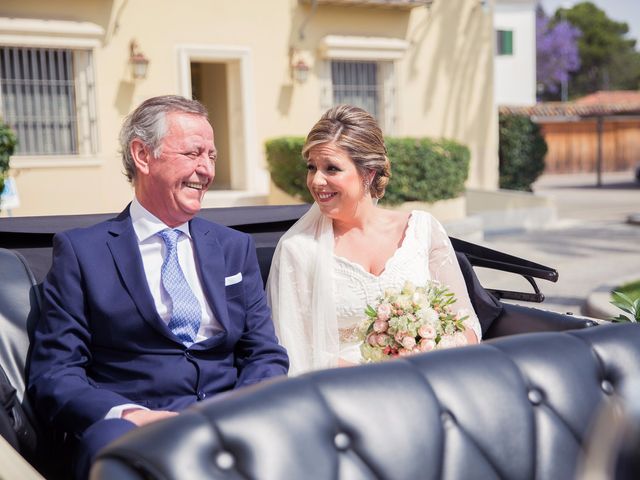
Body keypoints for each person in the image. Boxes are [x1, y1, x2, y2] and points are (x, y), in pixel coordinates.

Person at [27, 95, 288, 479]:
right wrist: (129, 414)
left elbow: (264, 353)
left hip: (231, 412)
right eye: (193, 153)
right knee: (112, 449)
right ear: (142, 155)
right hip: (134, 423)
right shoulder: (82, 252)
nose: (206, 169)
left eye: (212, 156)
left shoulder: (234, 247)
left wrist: (240, 407)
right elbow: (55, 372)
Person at [267, 104, 480, 375]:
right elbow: (297, 350)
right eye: (312, 167)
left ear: (368, 173)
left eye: (331, 169)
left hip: (431, 378)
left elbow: (465, 322)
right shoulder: (298, 249)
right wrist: (386, 377)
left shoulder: (422, 230)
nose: (316, 180)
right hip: (343, 389)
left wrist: (432, 353)